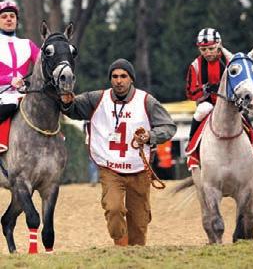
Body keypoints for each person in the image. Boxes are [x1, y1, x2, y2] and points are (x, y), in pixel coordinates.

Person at [60, 58, 176, 246]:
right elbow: (72, 109)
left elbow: (169, 127)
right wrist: (66, 102)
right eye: (114, 76)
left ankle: (134, 256)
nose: (118, 80)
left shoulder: (147, 101)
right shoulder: (97, 98)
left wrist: (150, 136)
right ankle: (120, 249)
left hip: (139, 169)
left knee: (139, 224)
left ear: (131, 79)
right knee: (113, 208)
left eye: (123, 76)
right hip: (110, 168)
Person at [0, 1, 40, 152]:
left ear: (17, 20)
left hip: (23, 93)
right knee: (11, 103)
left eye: (12, 16)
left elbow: (43, 65)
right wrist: (9, 80)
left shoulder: (28, 44)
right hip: (2, 94)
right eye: (4, 17)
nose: (9, 19)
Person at [185, 28, 226, 169]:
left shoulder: (230, 61)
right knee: (202, 110)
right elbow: (190, 93)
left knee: (242, 113)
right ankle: (192, 145)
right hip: (207, 102)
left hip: (228, 102)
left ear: (219, 45)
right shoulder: (195, 65)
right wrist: (204, 89)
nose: (207, 53)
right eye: (203, 50)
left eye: (211, 48)